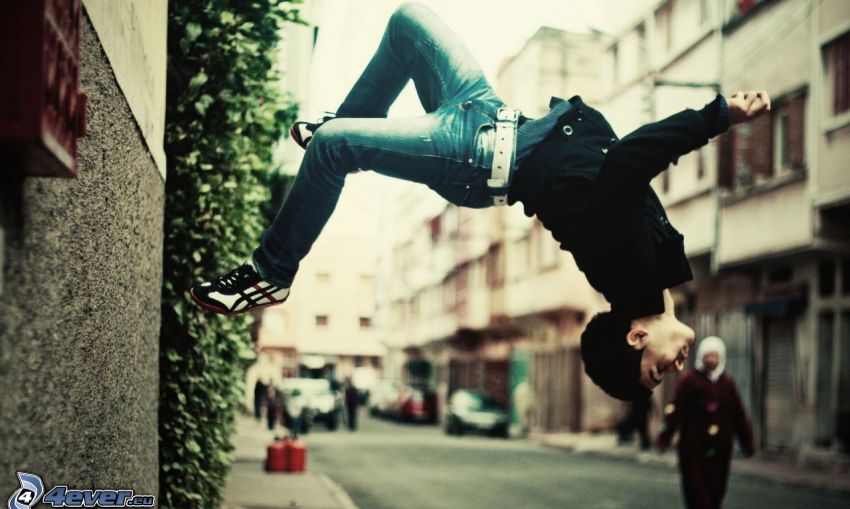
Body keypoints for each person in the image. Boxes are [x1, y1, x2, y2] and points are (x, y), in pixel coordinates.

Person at [189, 3, 771, 400]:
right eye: (663, 376)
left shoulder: (629, 271)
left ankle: (271, 272)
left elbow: (627, 164)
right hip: (492, 115)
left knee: (337, 149)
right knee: (406, 23)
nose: (671, 371)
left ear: (635, 338)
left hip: (473, 156)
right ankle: (343, 126)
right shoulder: (656, 272)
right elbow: (618, 169)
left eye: (654, 375)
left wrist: (715, 117)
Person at [656, 336, 755, 509]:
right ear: (701, 357)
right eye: (708, 356)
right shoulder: (689, 382)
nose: (712, 360)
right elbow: (674, 411)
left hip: (720, 451)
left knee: (715, 493)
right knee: (698, 496)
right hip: (693, 451)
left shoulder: (727, 384)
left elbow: (739, 415)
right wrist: (664, 438)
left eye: (715, 356)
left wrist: (747, 442)